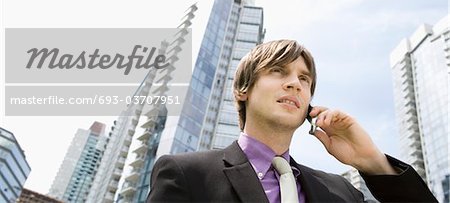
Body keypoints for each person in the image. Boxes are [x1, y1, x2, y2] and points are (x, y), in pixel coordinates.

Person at [147, 39, 437, 202]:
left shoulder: (342, 192)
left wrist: (372, 162)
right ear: (243, 89)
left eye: (304, 79)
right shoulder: (186, 174)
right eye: (277, 71)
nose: (295, 84)